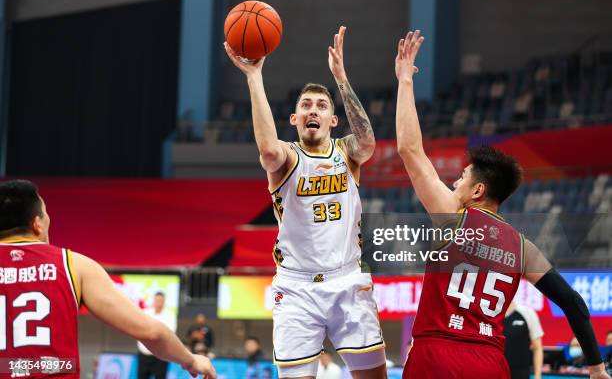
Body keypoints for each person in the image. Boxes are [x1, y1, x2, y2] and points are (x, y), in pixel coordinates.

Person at [394, 30, 610, 379]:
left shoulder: (453, 216)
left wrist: (405, 80)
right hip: (490, 364)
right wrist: (596, 367)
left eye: (462, 178)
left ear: (478, 190)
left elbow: (409, 149)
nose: (455, 182)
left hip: (437, 355)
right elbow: (573, 303)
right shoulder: (523, 248)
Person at [224, 25, 386, 379]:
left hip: (347, 281)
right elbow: (267, 150)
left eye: (322, 106)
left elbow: (369, 143)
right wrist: (254, 76)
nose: (314, 110)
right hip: (296, 288)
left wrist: (341, 79)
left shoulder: (346, 151)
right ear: (295, 119)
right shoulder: (286, 156)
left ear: (332, 119)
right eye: (306, 105)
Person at [0, 180, 216, 379]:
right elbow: (151, 332)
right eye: (46, 215)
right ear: (37, 224)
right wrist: (191, 360)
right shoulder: (74, 265)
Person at [137, 291, 177, 379]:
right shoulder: (145, 313)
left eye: (160, 300)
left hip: (161, 355)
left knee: (160, 376)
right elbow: (139, 329)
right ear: (153, 301)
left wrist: (153, 333)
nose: (158, 303)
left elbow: (170, 333)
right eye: (157, 300)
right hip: (144, 353)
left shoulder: (170, 315)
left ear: (164, 302)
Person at [504, 301, 544, 379]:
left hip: (521, 373)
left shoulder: (527, 313)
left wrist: (537, 376)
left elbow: (537, 347)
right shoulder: (490, 314)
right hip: (496, 371)